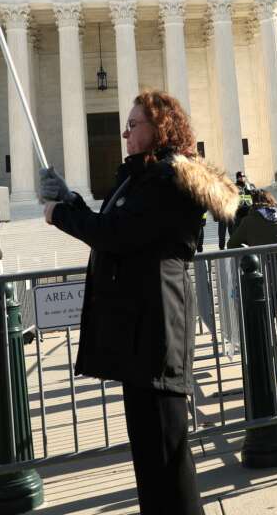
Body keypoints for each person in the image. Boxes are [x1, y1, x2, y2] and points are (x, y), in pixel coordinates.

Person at [40, 89, 239, 515]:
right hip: (139, 327)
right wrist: (71, 199)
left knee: (167, 454)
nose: (124, 132)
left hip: (157, 326)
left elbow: (119, 235)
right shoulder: (142, 176)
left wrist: (60, 216)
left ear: (160, 128)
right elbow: (116, 223)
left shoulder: (169, 179)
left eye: (134, 125)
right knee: (150, 455)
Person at [228, 189, 277, 373]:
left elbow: (232, 244)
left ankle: (269, 356)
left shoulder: (249, 221)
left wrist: (249, 246)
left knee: (266, 321)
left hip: (262, 277)